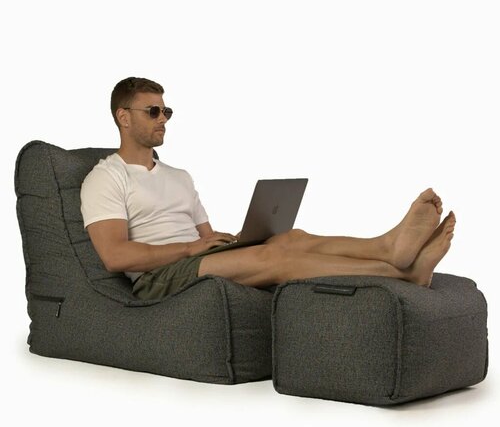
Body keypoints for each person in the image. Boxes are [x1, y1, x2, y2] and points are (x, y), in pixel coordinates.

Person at [81, 77, 456, 300]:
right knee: (277, 260)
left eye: (166, 112)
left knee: (291, 238)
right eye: (153, 111)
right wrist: (191, 248)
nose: (163, 118)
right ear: (123, 117)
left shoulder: (179, 176)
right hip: (158, 278)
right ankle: (403, 275)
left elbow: (207, 238)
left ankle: (386, 247)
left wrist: (235, 241)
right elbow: (115, 256)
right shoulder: (106, 177)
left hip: (195, 260)